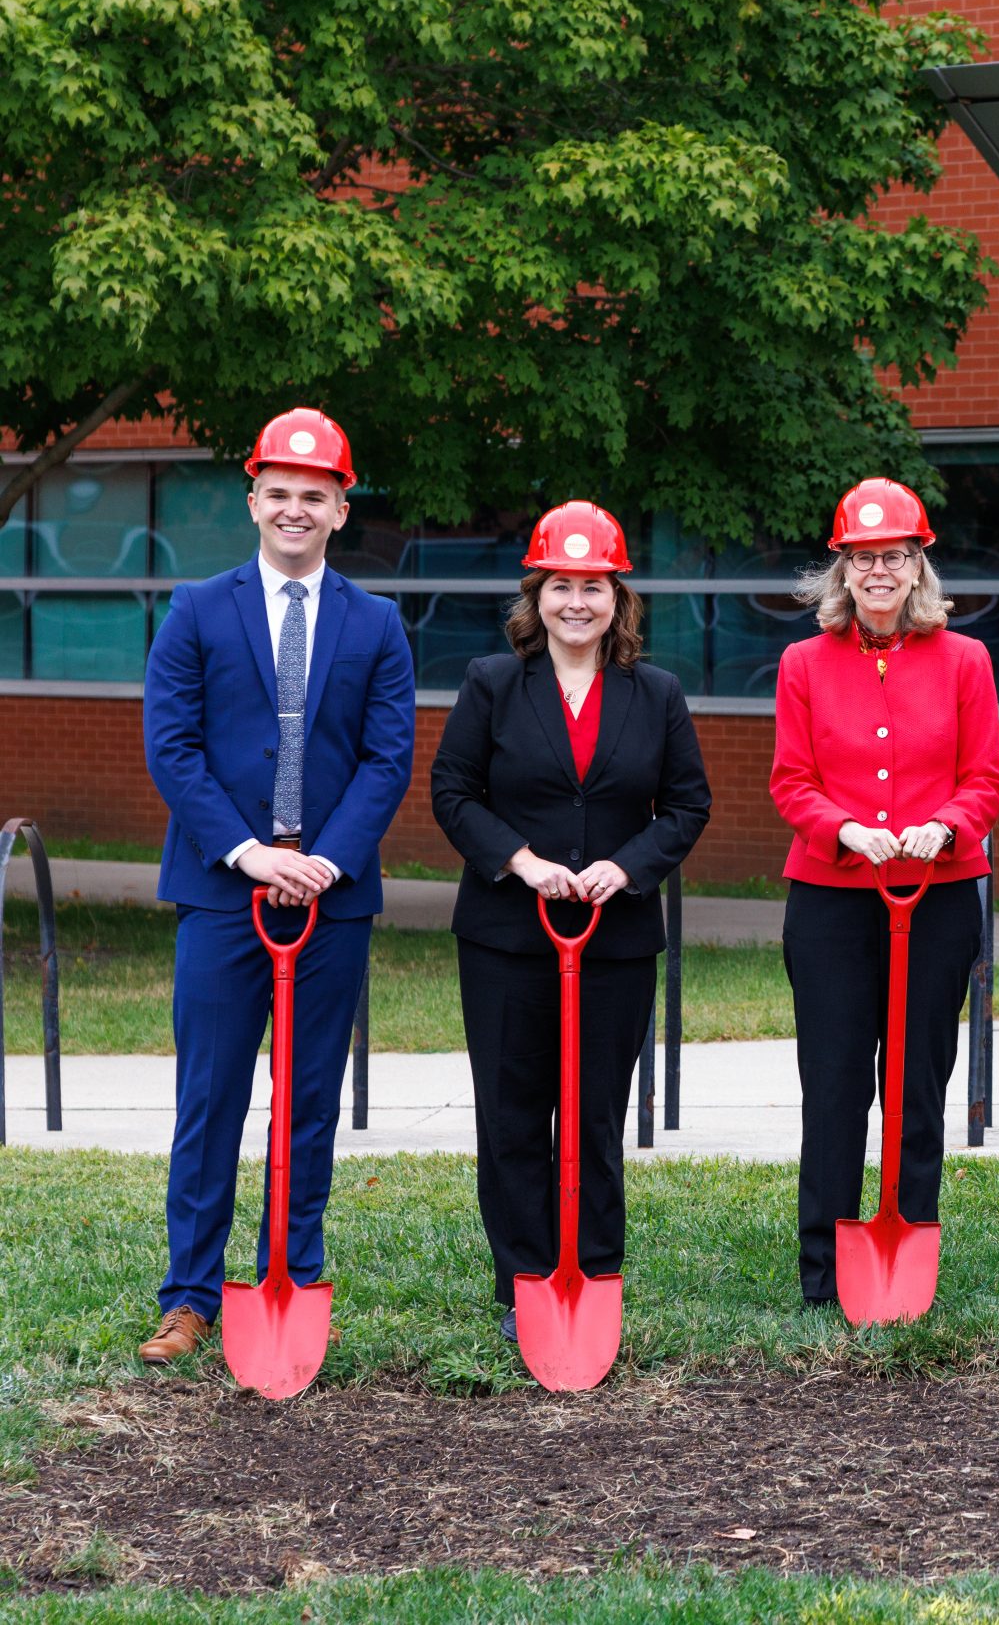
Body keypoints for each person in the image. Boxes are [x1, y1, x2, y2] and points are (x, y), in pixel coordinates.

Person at [136, 408, 417, 1363]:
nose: (296, 509)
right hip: (224, 891)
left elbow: (387, 758)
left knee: (308, 1098)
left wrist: (326, 860)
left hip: (332, 896)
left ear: (342, 510)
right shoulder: (196, 610)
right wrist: (251, 854)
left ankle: (290, 1273)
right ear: (253, 499)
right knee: (210, 1092)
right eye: (280, 493)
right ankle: (189, 1297)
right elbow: (171, 750)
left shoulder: (376, 623)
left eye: (316, 496)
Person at [429, 502, 711, 1340]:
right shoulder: (492, 683)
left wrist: (624, 868)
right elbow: (453, 791)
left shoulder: (654, 693)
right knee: (513, 1112)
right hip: (507, 938)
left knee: (593, 1113)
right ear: (537, 594)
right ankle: (523, 1280)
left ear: (617, 598)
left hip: (614, 940)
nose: (577, 602)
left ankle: (590, 1272)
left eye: (594, 586)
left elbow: (688, 804)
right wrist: (523, 862)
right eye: (561, 585)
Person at [770, 477, 999, 1308]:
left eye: (897, 556)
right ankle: (822, 1271)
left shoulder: (964, 659)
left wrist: (946, 826)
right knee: (835, 1080)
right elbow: (791, 782)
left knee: (919, 1078)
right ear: (843, 568)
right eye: (865, 558)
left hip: (937, 895)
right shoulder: (803, 662)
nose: (881, 571)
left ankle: (908, 1244)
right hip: (833, 896)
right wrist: (842, 827)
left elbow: (986, 779)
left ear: (918, 566)